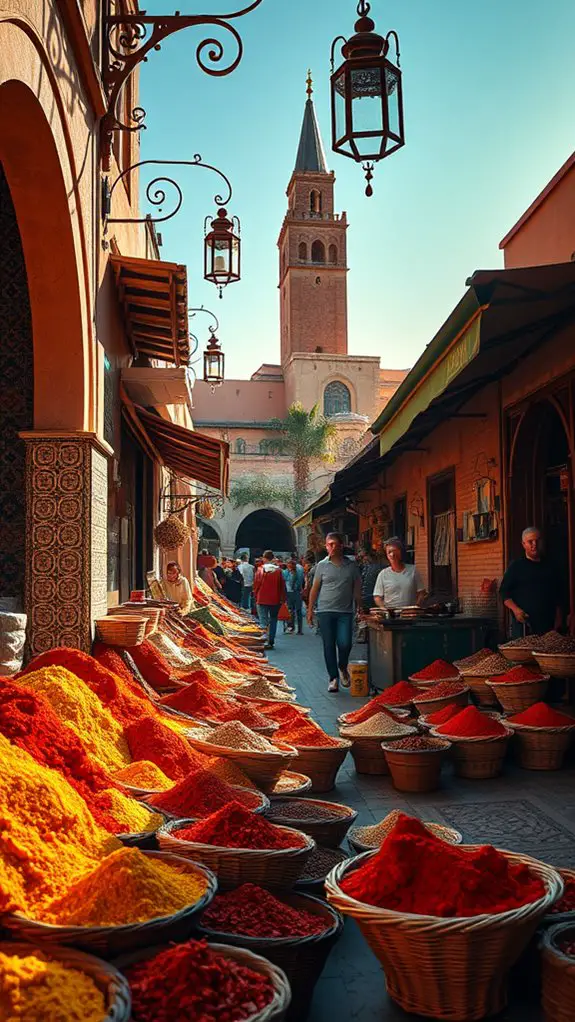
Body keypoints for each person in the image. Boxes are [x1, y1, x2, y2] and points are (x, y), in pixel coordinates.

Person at [306, 532, 362, 693]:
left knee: (345, 643)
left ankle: (342, 667)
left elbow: (357, 588)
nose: (333, 547)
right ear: (326, 546)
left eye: (336, 544)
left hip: (345, 611)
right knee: (328, 645)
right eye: (330, 544)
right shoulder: (322, 566)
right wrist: (310, 610)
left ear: (341, 546)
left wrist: (360, 606)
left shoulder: (351, 566)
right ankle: (333, 678)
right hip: (325, 611)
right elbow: (314, 589)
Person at [499, 526, 563, 637]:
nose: (534, 544)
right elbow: (504, 593)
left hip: (548, 626)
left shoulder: (551, 566)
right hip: (524, 626)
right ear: (523, 544)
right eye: (530, 541)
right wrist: (516, 610)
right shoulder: (516, 567)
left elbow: (558, 594)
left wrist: (559, 617)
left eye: (537, 541)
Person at [373, 538, 426, 610]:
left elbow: (421, 592)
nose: (392, 554)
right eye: (389, 552)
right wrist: (383, 608)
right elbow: (377, 597)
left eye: (395, 551)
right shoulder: (383, 574)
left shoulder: (413, 570)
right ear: (386, 555)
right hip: (391, 614)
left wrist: (416, 607)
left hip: (409, 613)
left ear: (401, 552)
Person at [254, 549, 287, 649]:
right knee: (273, 620)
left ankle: (264, 640)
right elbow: (282, 586)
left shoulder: (260, 569)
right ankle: (271, 641)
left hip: (262, 598)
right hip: (275, 599)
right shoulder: (278, 571)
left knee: (263, 621)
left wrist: (255, 595)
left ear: (264, 558)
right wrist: (283, 598)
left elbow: (256, 584)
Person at [359, 547, 387, 611]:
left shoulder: (376, 567)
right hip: (371, 599)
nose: (363, 560)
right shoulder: (367, 567)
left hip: (370, 599)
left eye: (364, 557)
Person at [283, 558, 304, 634]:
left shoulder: (298, 572)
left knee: (294, 611)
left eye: (290, 565)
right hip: (292, 593)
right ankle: (293, 627)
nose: (289, 566)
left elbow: (300, 583)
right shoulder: (286, 572)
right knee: (292, 611)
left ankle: (295, 628)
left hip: (294, 593)